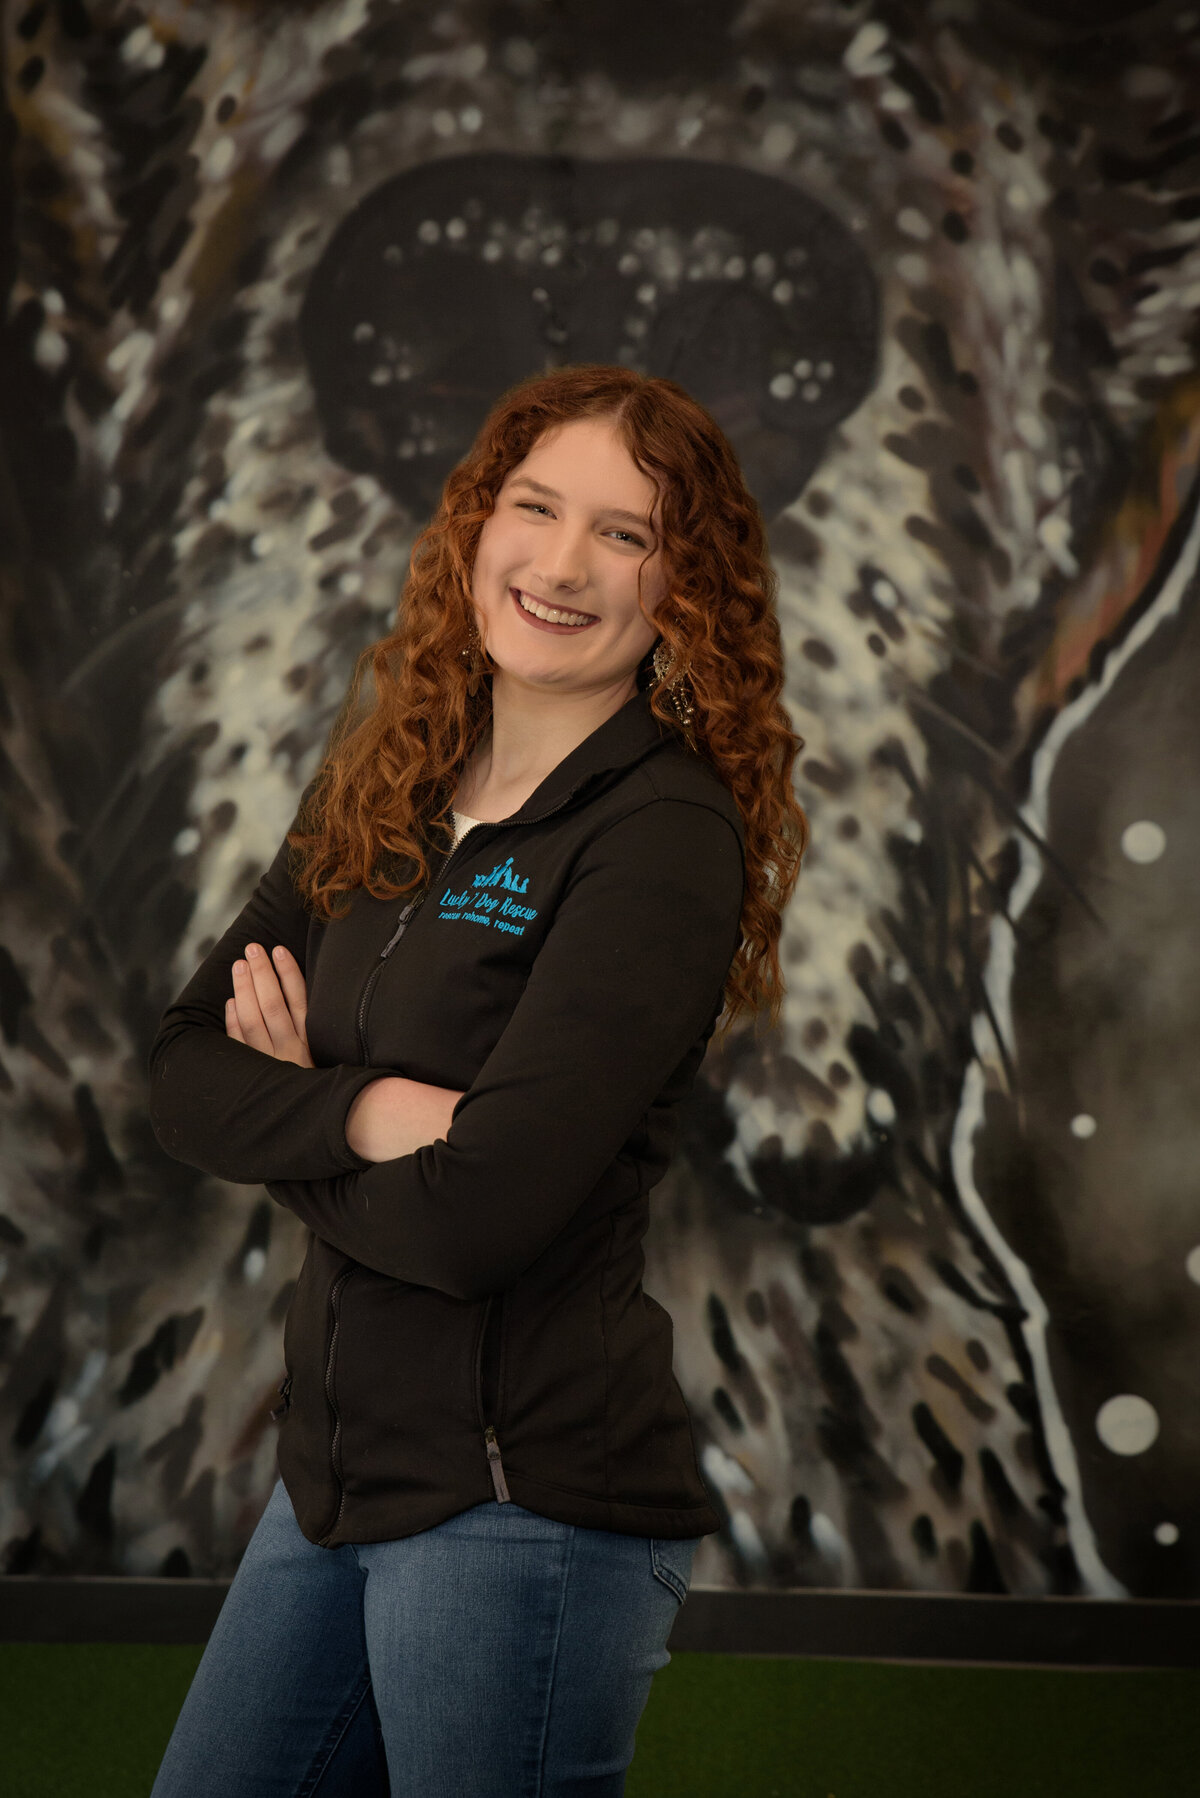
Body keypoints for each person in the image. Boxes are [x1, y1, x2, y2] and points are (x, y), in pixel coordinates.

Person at [146, 362, 807, 1797]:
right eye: (537, 506)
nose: (564, 564)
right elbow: (180, 1067)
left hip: (524, 1506)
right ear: (476, 526)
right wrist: (371, 1109)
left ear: (681, 588)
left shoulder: (663, 837)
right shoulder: (390, 771)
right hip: (334, 1474)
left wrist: (297, 1105)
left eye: (626, 534)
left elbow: (477, 1221)